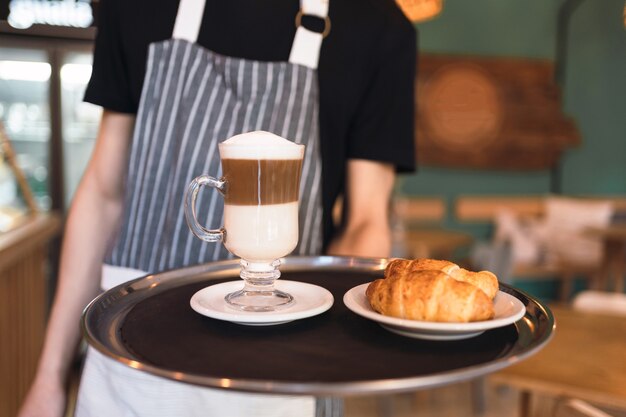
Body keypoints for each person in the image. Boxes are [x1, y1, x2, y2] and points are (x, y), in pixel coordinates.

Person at [18, 0, 416, 415]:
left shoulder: (377, 24)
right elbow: (103, 194)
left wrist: (338, 341)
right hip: (136, 354)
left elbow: (366, 220)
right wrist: (49, 377)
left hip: (283, 357)